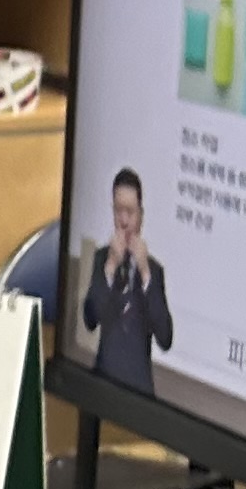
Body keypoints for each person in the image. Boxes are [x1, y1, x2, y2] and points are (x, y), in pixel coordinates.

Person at [81, 168, 173, 394]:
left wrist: (145, 273)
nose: (123, 221)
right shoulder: (102, 259)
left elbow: (165, 338)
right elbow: (90, 319)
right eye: (118, 211)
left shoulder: (154, 271)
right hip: (102, 384)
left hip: (138, 389)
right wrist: (110, 267)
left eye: (130, 212)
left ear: (141, 215)